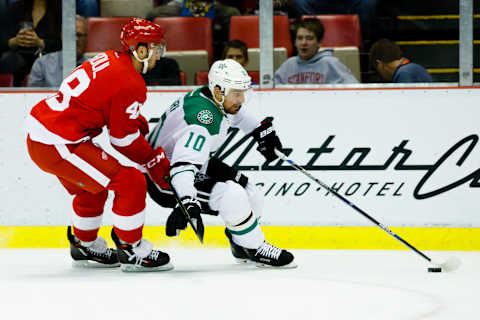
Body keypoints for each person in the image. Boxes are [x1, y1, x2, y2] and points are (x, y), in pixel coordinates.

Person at [25, 18, 173, 272]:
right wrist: (150, 159)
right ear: (140, 49)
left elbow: (101, 99)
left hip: (44, 136)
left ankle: (85, 244)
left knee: (92, 189)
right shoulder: (131, 81)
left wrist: (128, 117)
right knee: (131, 181)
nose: (160, 55)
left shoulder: (112, 58)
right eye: (156, 48)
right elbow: (122, 140)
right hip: (59, 141)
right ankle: (131, 248)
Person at [145, 59, 296, 268]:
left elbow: (241, 117)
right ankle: (255, 247)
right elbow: (182, 168)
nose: (242, 99)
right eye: (237, 93)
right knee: (232, 195)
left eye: (243, 92)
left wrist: (263, 133)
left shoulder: (215, 98)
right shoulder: (202, 122)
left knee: (252, 193)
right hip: (163, 178)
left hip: (189, 164)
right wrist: (187, 202)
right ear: (218, 90)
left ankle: (240, 242)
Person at [275, 18, 358, 84]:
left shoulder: (331, 63)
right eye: (300, 38)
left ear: (319, 42)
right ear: (295, 42)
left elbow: (355, 89)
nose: (303, 43)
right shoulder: (288, 65)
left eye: (309, 38)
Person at [0, 0, 62, 86]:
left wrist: (41, 42)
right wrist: (14, 41)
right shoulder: (15, 8)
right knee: (8, 59)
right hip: (18, 54)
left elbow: (64, 42)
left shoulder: (60, 10)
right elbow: (3, 38)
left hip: (48, 56)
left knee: (51, 62)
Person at [28, 15, 89, 87]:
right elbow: (33, 96)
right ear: (62, 36)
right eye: (71, 35)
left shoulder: (94, 69)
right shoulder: (42, 64)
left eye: (79, 35)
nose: (76, 39)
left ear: (86, 38)